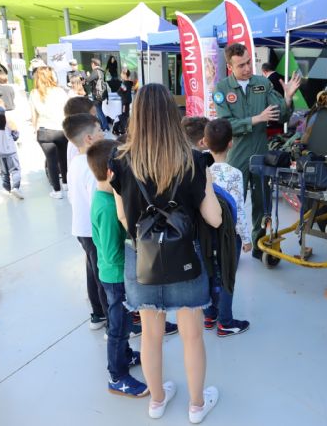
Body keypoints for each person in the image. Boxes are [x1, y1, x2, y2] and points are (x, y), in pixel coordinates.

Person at [109, 83, 222, 422]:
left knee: (151, 336)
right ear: (172, 116)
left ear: (137, 117)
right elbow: (214, 218)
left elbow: (124, 219)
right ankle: (197, 406)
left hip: (143, 258)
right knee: (192, 337)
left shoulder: (120, 161)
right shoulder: (193, 160)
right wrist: (208, 182)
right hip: (185, 255)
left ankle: (156, 401)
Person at [214, 43, 301, 260]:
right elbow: (226, 125)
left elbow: (280, 116)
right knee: (233, 202)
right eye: (241, 65)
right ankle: (230, 248)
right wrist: (256, 119)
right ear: (230, 66)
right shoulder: (222, 89)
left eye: (248, 63)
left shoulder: (262, 84)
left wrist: (288, 98)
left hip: (261, 152)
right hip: (237, 153)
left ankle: (259, 244)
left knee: (262, 203)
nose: (247, 68)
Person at [87, 139, 148, 397]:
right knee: (118, 326)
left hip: (112, 275)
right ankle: (117, 375)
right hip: (116, 277)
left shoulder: (104, 197)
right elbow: (112, 254)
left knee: (120, 323)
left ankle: (124, 355)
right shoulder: (110, 208)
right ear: (113, 173)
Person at [182, 116, 252, 336]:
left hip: (203, 231)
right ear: (231, 143)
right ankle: (225, 321)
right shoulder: (235, 174)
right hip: (229, 235)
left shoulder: (198, 167)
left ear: (205, 141)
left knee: (209, 271)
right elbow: (238, 208)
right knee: (227, 275)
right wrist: (247, 238)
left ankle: (210, 315)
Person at [63, 113, 110, 331]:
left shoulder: (75, 162)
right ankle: (112, 323)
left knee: (93, 270)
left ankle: (97, 314)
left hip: (81, 228)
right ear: (89, 138)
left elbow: (73, 196)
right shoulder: (93, 167)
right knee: (104, 277)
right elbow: (97, 203)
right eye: (99, 130)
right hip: (95, 230)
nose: (103, 132)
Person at [29, 66, 69, 199]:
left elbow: (34, 115)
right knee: (63, 158)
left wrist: (34, 130)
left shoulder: (34, 93)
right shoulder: (60, 91)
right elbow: (67, 111)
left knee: (51, 160)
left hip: (44, 131)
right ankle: (66, 184)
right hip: (61, 129)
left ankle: (56, 191)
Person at [0, 99, 23, 199]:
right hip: (10, 150)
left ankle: (7, 188)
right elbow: (15, 134)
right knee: (15, 169)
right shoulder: (8, 120)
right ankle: (15, 188)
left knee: (4, 171)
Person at [261, 62, 286, 136]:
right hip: (283, 108)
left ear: (264, 71)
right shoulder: (282, 77)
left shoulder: (267, 81)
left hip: (273, 109)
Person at [85, 58, 109, 131]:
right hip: (101, 93)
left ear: (93, 64)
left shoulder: (95, 71)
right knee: (99, 110)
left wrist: (88, 75)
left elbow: (88, 80)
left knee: (98, 110)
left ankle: (105, 127)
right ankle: (102, 126)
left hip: (96, 94)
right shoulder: (101, 71)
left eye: (91, 64)